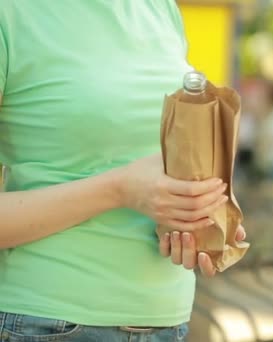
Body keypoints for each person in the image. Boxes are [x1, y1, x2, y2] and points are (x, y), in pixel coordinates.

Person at [0, 2, 245, 341]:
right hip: (48, 323)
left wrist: (199, 210)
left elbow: (160, 160)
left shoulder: (160, 8)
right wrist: (120, 190)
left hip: (167, 322)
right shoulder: (12, 13)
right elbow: (133, 182)